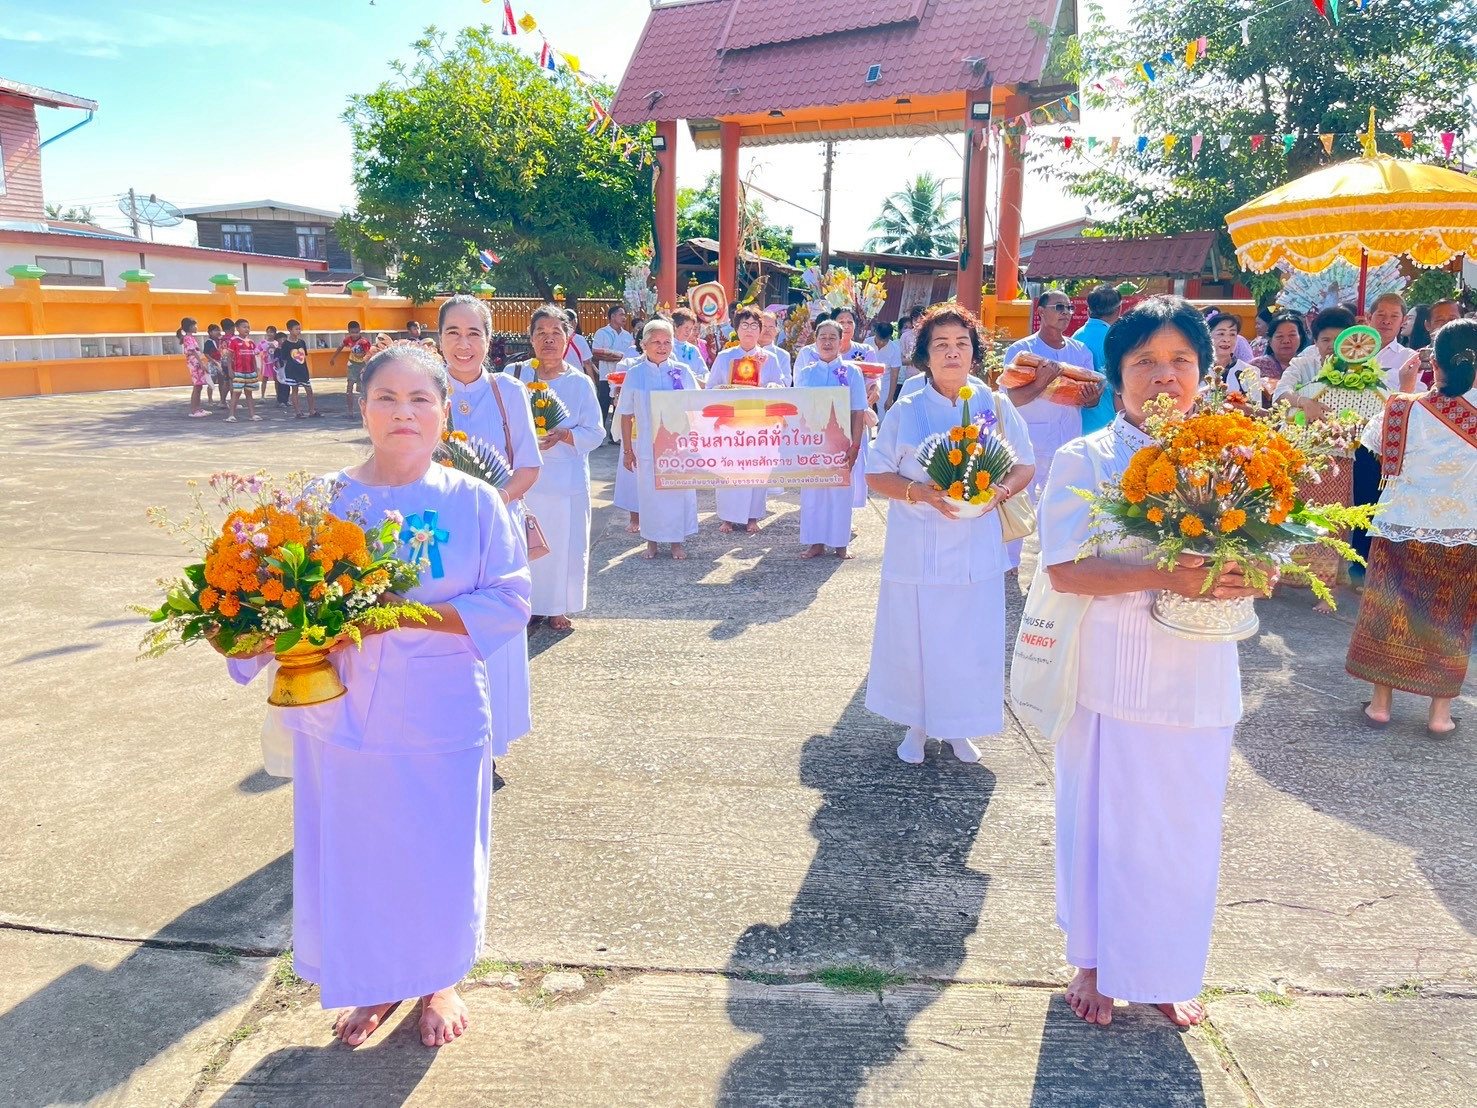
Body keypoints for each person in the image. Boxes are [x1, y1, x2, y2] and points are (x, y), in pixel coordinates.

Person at [219, 342, 531, 1049]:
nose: (403, 412)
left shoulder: (474, 501)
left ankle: (440, 977)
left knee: (438, 848)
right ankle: (379, 980)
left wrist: (409, 613)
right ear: (362, 408)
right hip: (342, 714)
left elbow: (509, 601)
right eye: (386, 398)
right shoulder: (320, 500)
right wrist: (245, 633)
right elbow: (272, 601)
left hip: (440, 712)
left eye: (420, 399)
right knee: (363, 853)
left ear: (444, 414)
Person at [1038, 295, 1273, 1029]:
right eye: (1144, 362)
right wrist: (1166, 575)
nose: (1163, 376)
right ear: (1116, 377)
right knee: (1103, 824)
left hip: (1200, 676)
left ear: (1204, 372)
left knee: (1183, 828)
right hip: (1111, 672)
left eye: (1180, 362)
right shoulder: (1086, 457)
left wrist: (1254, 571)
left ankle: (1166, 968)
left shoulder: (1237, 457)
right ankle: (1096, 963)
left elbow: (1270, 558)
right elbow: (1064, 569)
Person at [865, 303, 1035, 764]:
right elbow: (876, 475)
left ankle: (960, 728)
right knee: (916, 640)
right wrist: (919, 492)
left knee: (968, 641)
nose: (952, 352)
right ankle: (916, 727)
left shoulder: (992, 403)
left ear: (974, 353)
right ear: (925, 356)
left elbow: (1025, 463)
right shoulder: (908, 409)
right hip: (917, 549)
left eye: (962, 343)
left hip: (975, 550)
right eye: (941, 345)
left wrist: (997, 492)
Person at [1348, 319, 1477, 737]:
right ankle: (1440, 714)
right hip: (1463, 531)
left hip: (1399, 524)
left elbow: (1372, 447)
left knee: (1390, 611)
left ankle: (1381, 704)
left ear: (1432, 363)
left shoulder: (1403, 408)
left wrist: (1403, 389)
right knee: (1451, 617)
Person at [439, 294, 542, 761]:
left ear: (489, 338)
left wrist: (490, 504)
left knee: (493, 630)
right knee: (443, 635)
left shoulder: (509, 391)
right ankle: (444, 741)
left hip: (498, 526)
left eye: (474, 333)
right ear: (438, 338)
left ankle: (490, 744)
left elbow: (528, 467)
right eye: (453, 333)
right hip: (435, 533)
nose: (464, 344)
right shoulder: (422, 387)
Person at [511, 306, 603, 631]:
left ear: (568, 339)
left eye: (556, 334)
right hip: (524, 481)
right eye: (541, 333)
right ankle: (529, 605)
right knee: (524, 545)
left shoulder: (580, 384)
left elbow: (596, 432)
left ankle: (558, 607)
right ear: (531, 338)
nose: (549, 340)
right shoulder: (515, 375)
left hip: (566, 480)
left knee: (563, 544)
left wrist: (565, 435)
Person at [1003, 290, 1102, 567]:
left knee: (1061, 506)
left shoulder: (1080, 352)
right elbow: (1011, 399)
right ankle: (1010, 563)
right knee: (1018, 502)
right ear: (1041, 312)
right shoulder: (1022, 352)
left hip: (1067, 441)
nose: (1066, 313)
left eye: (1070, 307)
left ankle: (1055, 561)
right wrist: (1040, 382)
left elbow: (1090, 402)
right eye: (1059, 307)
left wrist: (1091, 397)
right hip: (1029, 442)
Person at [617, 319, 700, 559]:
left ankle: (676, 542)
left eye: (667, 342)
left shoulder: (682, 371)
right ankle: (651, 542)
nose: (662, 347)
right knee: (650, 494)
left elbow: (697, 406)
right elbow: (625, 414)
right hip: (646, 448)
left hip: (678, 449)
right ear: (644, 345)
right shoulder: (634, 374)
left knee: (676, 495)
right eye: (656, 342)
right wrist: (627, 451)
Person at [707, 305, 785, 534]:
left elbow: (780, 385)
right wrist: (725, 390)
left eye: (754, 326)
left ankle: (753, 516)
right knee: (728, 469)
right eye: (744, 325)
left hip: (759, 425)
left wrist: (771, 386)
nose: (749, 330)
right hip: (730, 424)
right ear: (737, 329)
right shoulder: (725, 357)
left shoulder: (769, 358)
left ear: (760, 330)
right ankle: (727, 518)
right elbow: (711, 387)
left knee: (756, 470)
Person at [795, 319, 867, 559]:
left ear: (841, 341)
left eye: (832, 338)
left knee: (840, 495)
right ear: (815, 342)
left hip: (841, 444)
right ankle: (815, 543)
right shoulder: (806, 373)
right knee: (813, 494)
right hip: (813, 443)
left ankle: (840, 544)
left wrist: (855, 446)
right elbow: (798, 410)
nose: (827, 342)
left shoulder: (853, 372)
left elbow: (858, 412)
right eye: (822, 337)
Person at [1072, 285, 1122, 433]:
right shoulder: (1115, 339)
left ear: (1088, 311)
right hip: (1107, 420)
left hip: (1077, 421)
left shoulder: (1075, 337)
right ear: (1119, 310)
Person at [592, 305, 637, 441]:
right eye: (621, 315)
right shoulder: (602, 332)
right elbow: (596, 353)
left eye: (624, 315)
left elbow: (629, 356)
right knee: (604, 405)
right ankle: (598, 435)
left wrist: (615, 357)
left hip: (622, 378)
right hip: (606, 376)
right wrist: (617, 357)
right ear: (612, 316)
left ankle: (615, 436)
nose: (624, 317)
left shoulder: (627, 335)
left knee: (619, 406)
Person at [1205, 311, 1265, 404]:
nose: (1227, 339)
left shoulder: (1250, 372)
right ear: (1208, 336)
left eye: (1232, 334)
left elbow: (1256, 410)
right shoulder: (1197, 370)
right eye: (1221, 334)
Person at [329, 322, 373, 418]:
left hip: (362, 365)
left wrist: (368, 366)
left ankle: (366, 410)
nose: (355, 334)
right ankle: (350, 411)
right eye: (353, 332)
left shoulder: (364, 342)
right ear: (349, 332)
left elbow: (368, 353)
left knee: (363, 390)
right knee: (349, 387)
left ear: (359, 331)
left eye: (357, 332)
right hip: (352, 365)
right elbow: (340, 347)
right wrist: (334, 358)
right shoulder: (347, 340)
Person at [278, 319, 321, 419]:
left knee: (309, 390)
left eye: (299, 329)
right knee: (295, 390)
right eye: (296, 329)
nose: (299, 331)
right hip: (292, 371)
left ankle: (312, 410)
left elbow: (304, 356)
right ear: (289, 330)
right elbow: (284, 359)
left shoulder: (302, 342)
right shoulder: (286, 345)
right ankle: (298, 412)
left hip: (303, 370)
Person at [1249, 311, 1306, 384]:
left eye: (1292, 335)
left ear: (1300, 338)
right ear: (1270, 340)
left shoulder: (1309, 364)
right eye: (1280, 336)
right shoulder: (1256, 366)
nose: (1286, 341)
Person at [226, 319, 262, 423]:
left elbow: (254, 357)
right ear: (237, 328)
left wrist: (256, 370)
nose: (247, 329)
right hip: (239, 371)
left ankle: (252, 414)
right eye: (244, 327)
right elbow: (229, 357)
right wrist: (230, 369)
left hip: (250, 372)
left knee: (249, 393)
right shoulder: (234, 341)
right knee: (236, 393)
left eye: (248, 327)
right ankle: (231, 415)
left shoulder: (251, 342)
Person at [179, 317, 211, 418]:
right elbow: (193, 351)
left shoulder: (191, 338)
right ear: (190, 327)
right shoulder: (188, 338)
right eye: (195, 325)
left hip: (197, 364)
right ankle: (194, 409)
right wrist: (202, 363)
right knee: (197, 387)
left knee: (200, 386)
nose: (196, 327)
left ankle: (198, 408)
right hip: (195, 365)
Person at [671, 307, 711, 386]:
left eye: (691, 329)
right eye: (686, 328)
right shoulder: (668, 348)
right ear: (676, 326)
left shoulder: (693, 349)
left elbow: (705, 373)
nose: (688, 332)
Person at [872, 321, 904, 411]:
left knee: (883, 413)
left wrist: (890, 398)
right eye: (879, 339)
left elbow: (894, 375)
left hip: (884, 384)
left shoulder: (894, 349)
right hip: (867, 380)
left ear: (890, 337)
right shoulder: (867, 343)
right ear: (875, 333)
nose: (881, 343)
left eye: (884, 341)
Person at [760, 311, 792, 386]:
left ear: (776, 330)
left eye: (771, 327)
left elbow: (786, 383)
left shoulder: (783, 355)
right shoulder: (749, 350)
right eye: (764, 326)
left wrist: (775, 385)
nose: (767, 330)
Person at [203, 323, 228, 409]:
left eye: (218, 330)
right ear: (210, 332)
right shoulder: (209, 342)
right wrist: (212, 360)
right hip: (212, 363)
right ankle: (210, 399)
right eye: (215, 330)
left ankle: (222, 399)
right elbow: (206, 353)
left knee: (222, 381)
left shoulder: (221, 341)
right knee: (212, 381)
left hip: (220, 362)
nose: (218, 332)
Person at [563, 310, 594, 378]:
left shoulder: (556, 338)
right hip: (578, 377)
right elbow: (587, 362)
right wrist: (593, 382)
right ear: (575, 322)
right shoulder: (580, 339)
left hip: (560, 376)